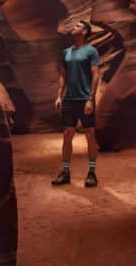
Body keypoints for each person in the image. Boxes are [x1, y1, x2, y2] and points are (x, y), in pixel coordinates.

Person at [51, 20, 101, 188]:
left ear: (85, 32)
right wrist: (59, 95)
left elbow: (95, 75)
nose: (74, 27)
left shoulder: (91, 51)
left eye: (78, 26)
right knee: (67, 134)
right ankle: (65, 172)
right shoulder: (66, 52)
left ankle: (92, 173)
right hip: (69, 99)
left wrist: (91, 99)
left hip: (85, 99)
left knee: (90, 134)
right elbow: (63, 75)